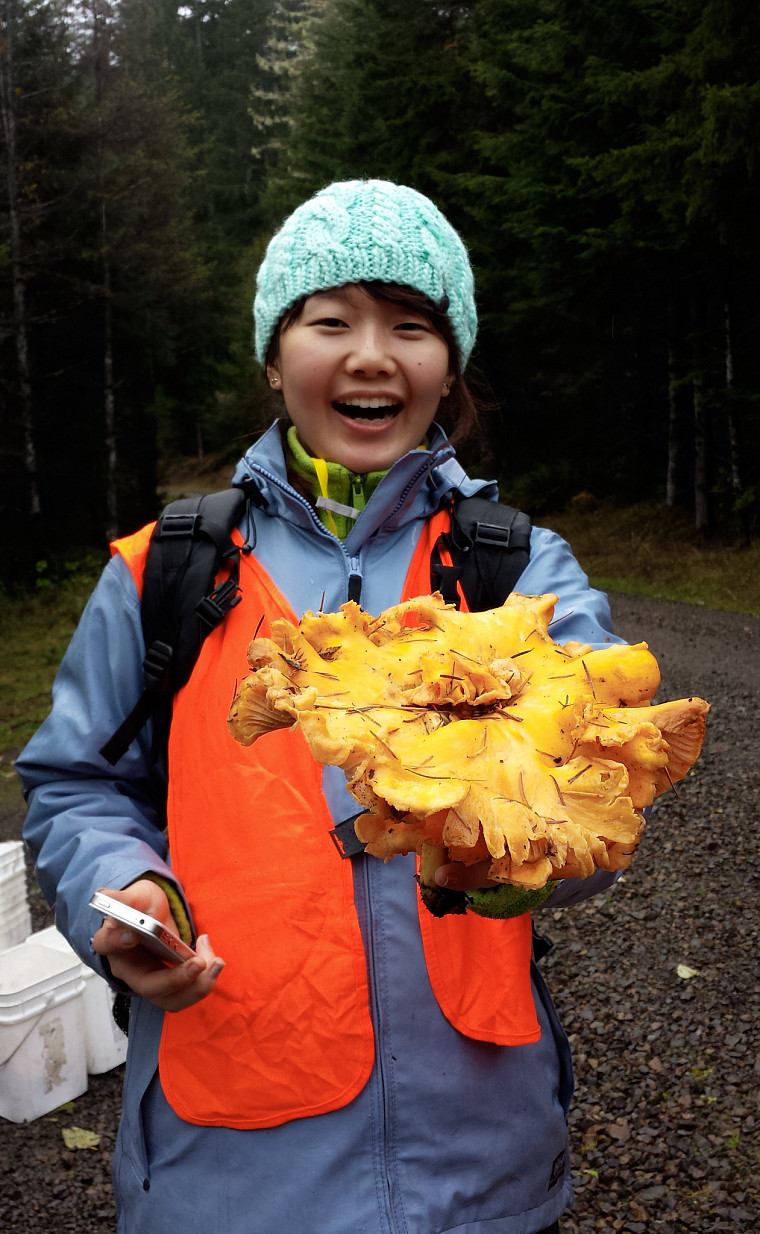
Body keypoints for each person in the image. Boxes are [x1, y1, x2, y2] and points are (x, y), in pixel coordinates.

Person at [19, 179, 624, 1234]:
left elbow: (606, 777)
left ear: (449, 368)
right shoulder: (166, 570)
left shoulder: (519, 566)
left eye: (411, 325)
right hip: (229, 1160)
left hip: (476, 1148)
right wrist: (125, 889)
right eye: (330, 321)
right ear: (274, 356)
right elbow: (75, 785)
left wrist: (519, 852)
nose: (371, 355)